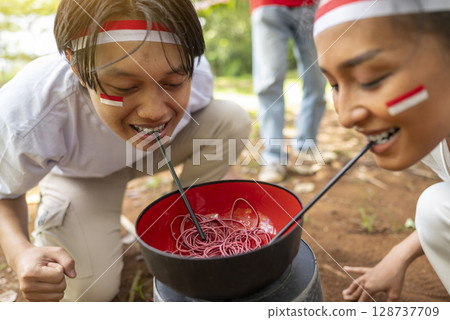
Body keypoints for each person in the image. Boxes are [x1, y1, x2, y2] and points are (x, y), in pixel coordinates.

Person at [0, 0, 251, 301]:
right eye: (125, 87)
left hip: (151, 154)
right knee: (89, 293)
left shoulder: (195, 73)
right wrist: (19, 253)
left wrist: (222, 173)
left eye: (171, 83)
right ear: (76, 66)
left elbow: (217, 129)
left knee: (230, 118)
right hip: (82, 175)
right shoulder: (30, 110)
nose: (154, 112)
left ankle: (184, 222)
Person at [313, 0, 450, 301]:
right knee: (435, 207)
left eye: (369, 79)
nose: (346, 117)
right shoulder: (429, 128)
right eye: (334, 85)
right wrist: (400, 253)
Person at [251, 0, 328, 183]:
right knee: (269, 82)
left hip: (310, 6)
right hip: (267, 5)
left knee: (317, 79)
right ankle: (273, 157)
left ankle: (306, 149)